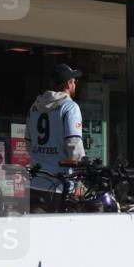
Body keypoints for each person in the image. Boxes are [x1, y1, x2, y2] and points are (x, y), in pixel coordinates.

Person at [27, 63, 85, 204]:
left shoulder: (34, 106)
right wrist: (80, 181)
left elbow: (28, 143)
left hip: (36, 181)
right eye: (74, 81)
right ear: (69, 83)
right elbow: (74, 145)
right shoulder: (70, 107)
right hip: (61, 185)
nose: (75, 84)